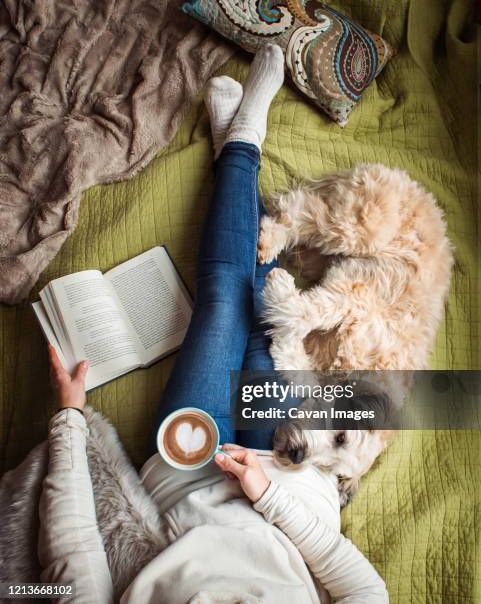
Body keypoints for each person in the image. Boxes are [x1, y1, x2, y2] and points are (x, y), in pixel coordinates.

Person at [40, 45, 389, 604]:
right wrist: (266, 495)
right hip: (290, 482)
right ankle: (239, 138)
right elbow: (367, 589)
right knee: (260, 323)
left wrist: (68, 420)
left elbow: (67, 561)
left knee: (224, 303)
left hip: (187, 471)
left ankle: (241, 139)